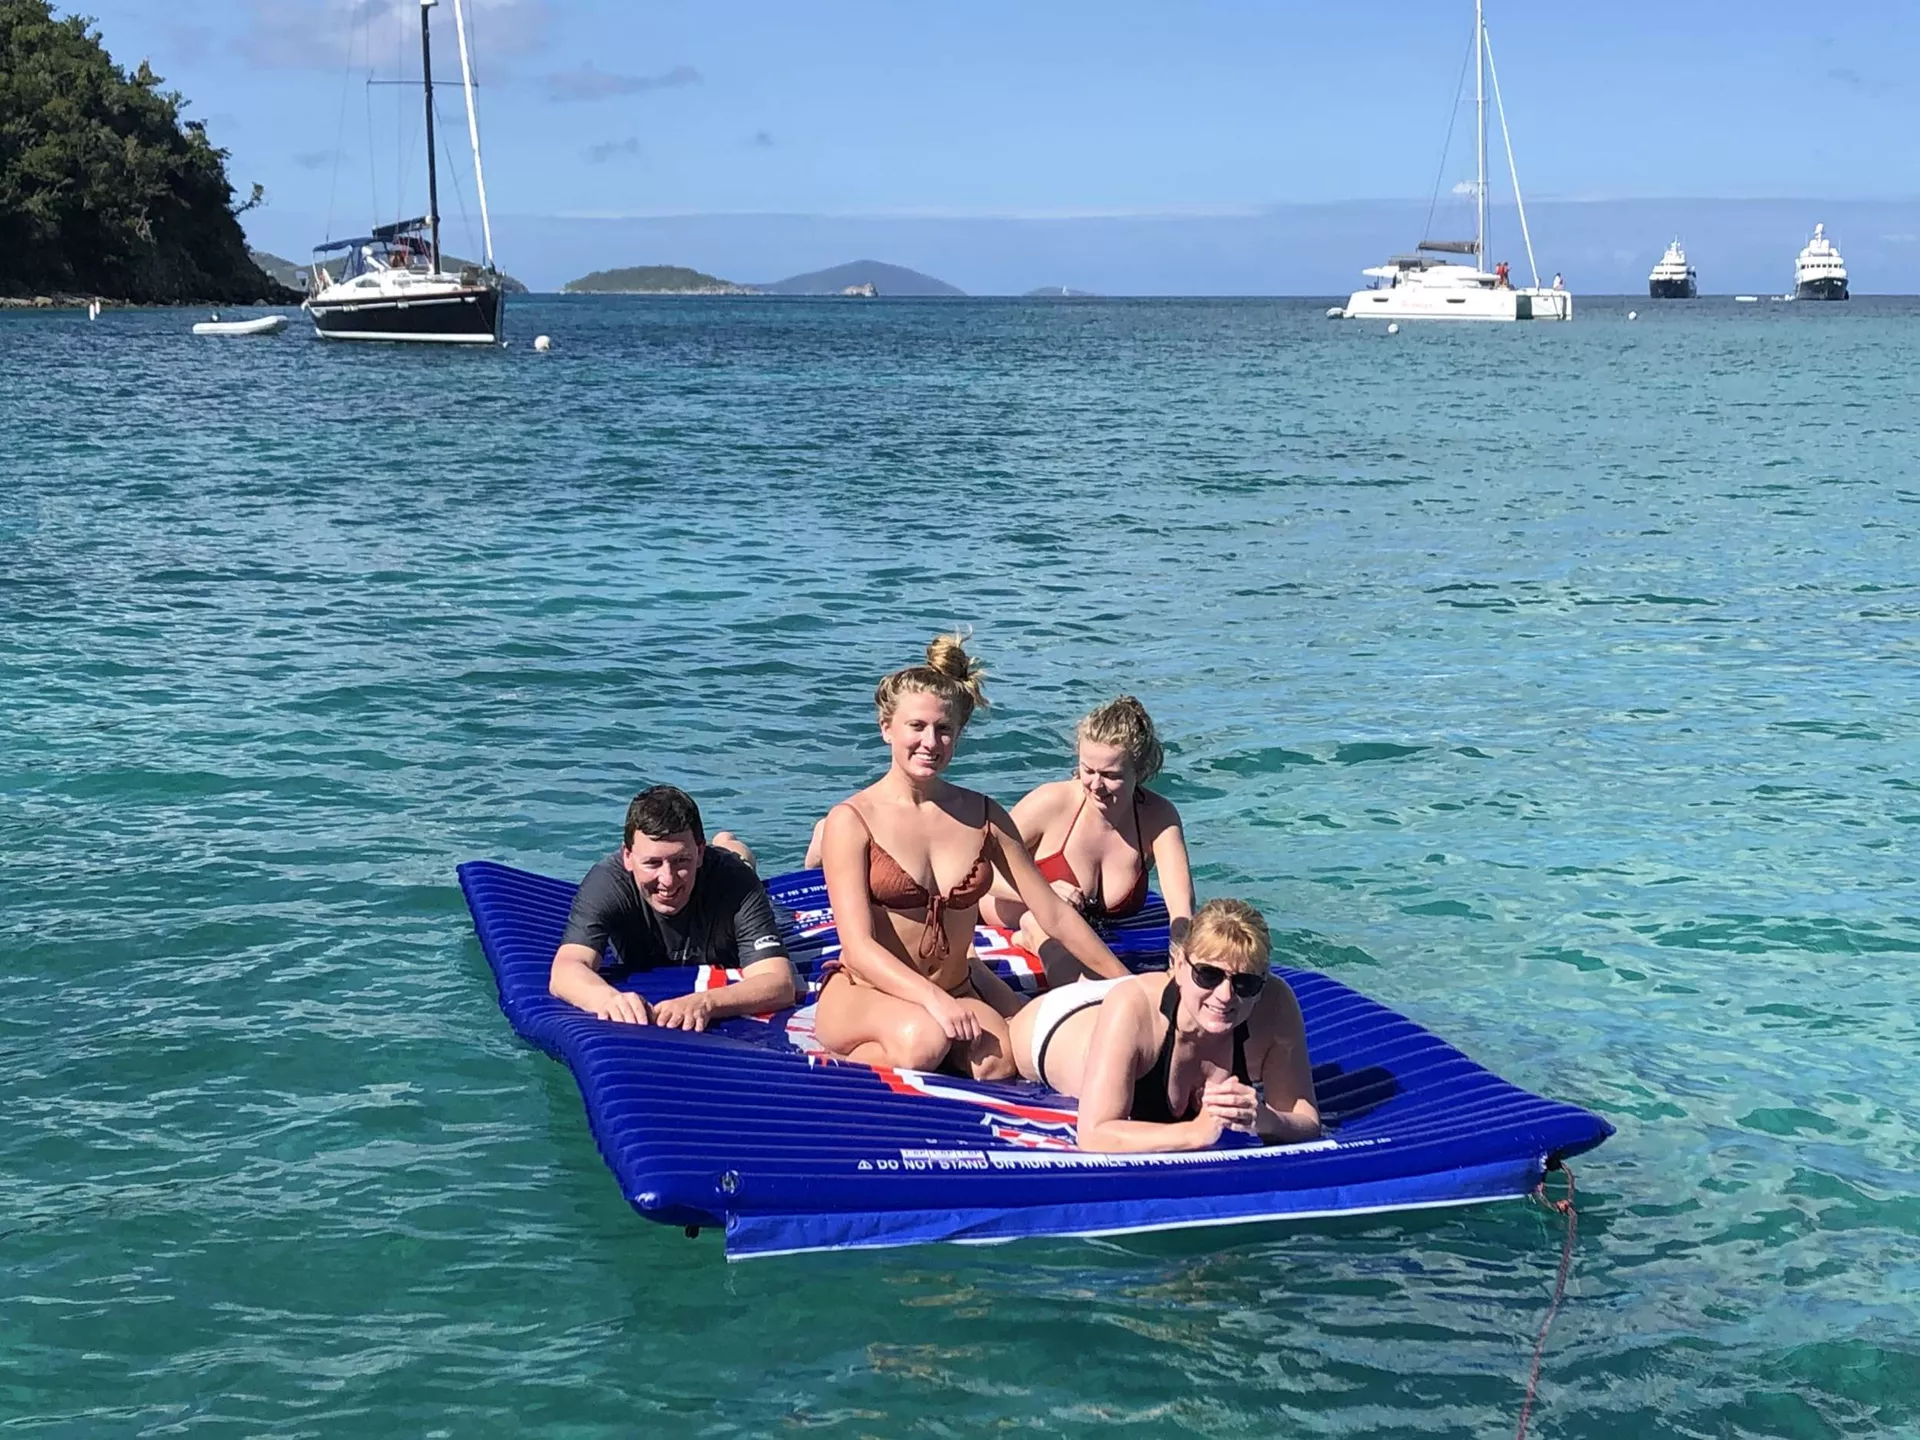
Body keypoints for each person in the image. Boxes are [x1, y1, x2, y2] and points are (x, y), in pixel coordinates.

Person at [814, 633, 1130, 1081]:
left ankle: (961, 998)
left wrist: (1125, 984)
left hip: (954, 989)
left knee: (1000, 1063)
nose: (930, 742)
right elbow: (859, 947)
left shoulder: (983, 816)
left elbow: (1053, 913)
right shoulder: (851, 820)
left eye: (944, 729)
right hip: (866, 991)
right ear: (887, 728)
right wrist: (933, 1001)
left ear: (958, 735)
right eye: (916, 726)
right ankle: (838, 1069)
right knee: (924, 1042)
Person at [1007, 899, 1321, 1153]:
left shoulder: (1275, 1003)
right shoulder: (1132, 1007)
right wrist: (1195, 1133)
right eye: (1208, 975)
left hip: (1150, 1000)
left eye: (1245, 983)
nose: (1226, 995)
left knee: (1088, 981)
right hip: (1055, 1024)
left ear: (1262, 982)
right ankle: (1037, 936)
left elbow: (1306, 1120)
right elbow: (1094, 1134)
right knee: (1001, 1053)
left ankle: (1039, 938)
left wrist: (1267, 1120)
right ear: (1179, 965)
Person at [981, 695, 1195, 982]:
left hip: (1086, 925)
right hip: (1021, 913)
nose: (1096, 785)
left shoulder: (1158, 816)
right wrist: (1041, 891)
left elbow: (1181, 908)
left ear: (1140, 770)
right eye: (1088, 770)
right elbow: (978, 869)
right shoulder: (1051, 803)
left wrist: (1181, 962)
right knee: (1043, 925)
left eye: (1110, 775)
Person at [548, 785, 796, 1029]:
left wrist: (706, 1003)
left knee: (739, 861)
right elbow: (565, 970)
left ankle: (730, 844)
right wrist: (607, 1000)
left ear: (699, 853)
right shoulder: (607, 882)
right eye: (652, 863)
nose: (667, 880)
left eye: (681, 860)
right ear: (628, 857)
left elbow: (779, 983)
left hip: (729, 875)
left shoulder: (736, 882)